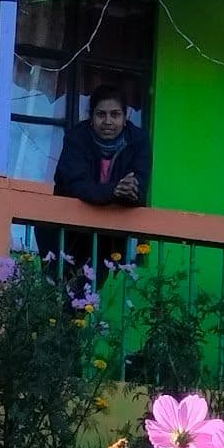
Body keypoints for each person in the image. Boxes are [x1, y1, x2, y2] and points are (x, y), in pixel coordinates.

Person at [37, 85, 152, 294]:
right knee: (52, 295)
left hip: (106, 237)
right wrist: (114, 191)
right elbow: (76, 185)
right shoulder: (76, 138)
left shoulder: (139, 141)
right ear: (92, 118)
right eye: (101, 114)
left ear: (125, 118)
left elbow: (139, 187)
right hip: (65, 233)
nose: (108, 121)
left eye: (115, 114)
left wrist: (131, 190)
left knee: (82, 300)